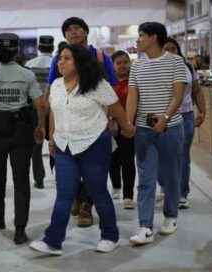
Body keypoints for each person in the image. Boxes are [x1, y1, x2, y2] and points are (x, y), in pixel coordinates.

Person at [29, 44, 134, 255]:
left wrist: (128, 129)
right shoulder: (57, 85)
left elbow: (116, 108)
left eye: (67, 58)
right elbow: (54, 114)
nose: (61, 62)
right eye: (60, 59)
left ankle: (109, 235)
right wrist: (51, 140)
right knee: (64, 194)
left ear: (79, 62)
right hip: (64, 146)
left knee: (97, 192)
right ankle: (53, 241)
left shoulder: (97, 85)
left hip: (94, 144)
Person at [0, 33, 46, 245]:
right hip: (22, 132)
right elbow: (39, 103)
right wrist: (41, 125)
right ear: (17, 51)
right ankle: (20, 229)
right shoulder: (26, 74)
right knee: (21, 179)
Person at [45, 17, 117, 228]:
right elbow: (52, 88)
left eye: (77, 28)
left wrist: (113, 120)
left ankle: (87, 205)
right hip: (66, 126)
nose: (72, 32)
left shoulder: (101, 57)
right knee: (66, 167)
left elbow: (111, 91)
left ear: (86, 32)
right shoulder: (59, 59)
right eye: (68, 29)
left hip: (96, 124)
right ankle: (75, 197)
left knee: (94, 172)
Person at [126, 22, 187, 245]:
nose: (138, 39)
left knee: (171, 175)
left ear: (153, 38)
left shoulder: (175, 61)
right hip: (144, 130)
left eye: (141, 35)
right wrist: (128, 122)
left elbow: (177, 94)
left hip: (170, 128)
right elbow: (133, 96)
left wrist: (166, 118)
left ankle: (171, 216)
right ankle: (145, 226)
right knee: (145, 178)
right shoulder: (137, 66)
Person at [160, 37, 206, 209]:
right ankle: (164, 182)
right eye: (166, 48)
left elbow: (197, 91)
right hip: (162, 117)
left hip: (185, 116)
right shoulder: (154, 67)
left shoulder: (187, 67)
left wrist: (202, 111)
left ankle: (181, 193)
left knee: (182, 155)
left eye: (173, 48)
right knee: (161, 154)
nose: (171, 51)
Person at [25, 35, 54, 189]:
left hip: (35, 109)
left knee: (36, 147)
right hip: (55, 109)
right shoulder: (57, 63)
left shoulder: (30, 64)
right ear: (53, 47)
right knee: (58, 143)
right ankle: (59, 175)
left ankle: (39, 179)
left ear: (39, 47)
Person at [108, 50, 136, 209]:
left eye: (125, 62)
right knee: (113, 159)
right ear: (112, 65)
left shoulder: (134, 81)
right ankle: (116, 186)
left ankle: (128, 195)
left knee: (128, 160)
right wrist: (110, 121)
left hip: (129, 126)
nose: (122, 66)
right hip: (111, 125)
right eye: (118, 63)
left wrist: (132, 124)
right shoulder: (108, 83)